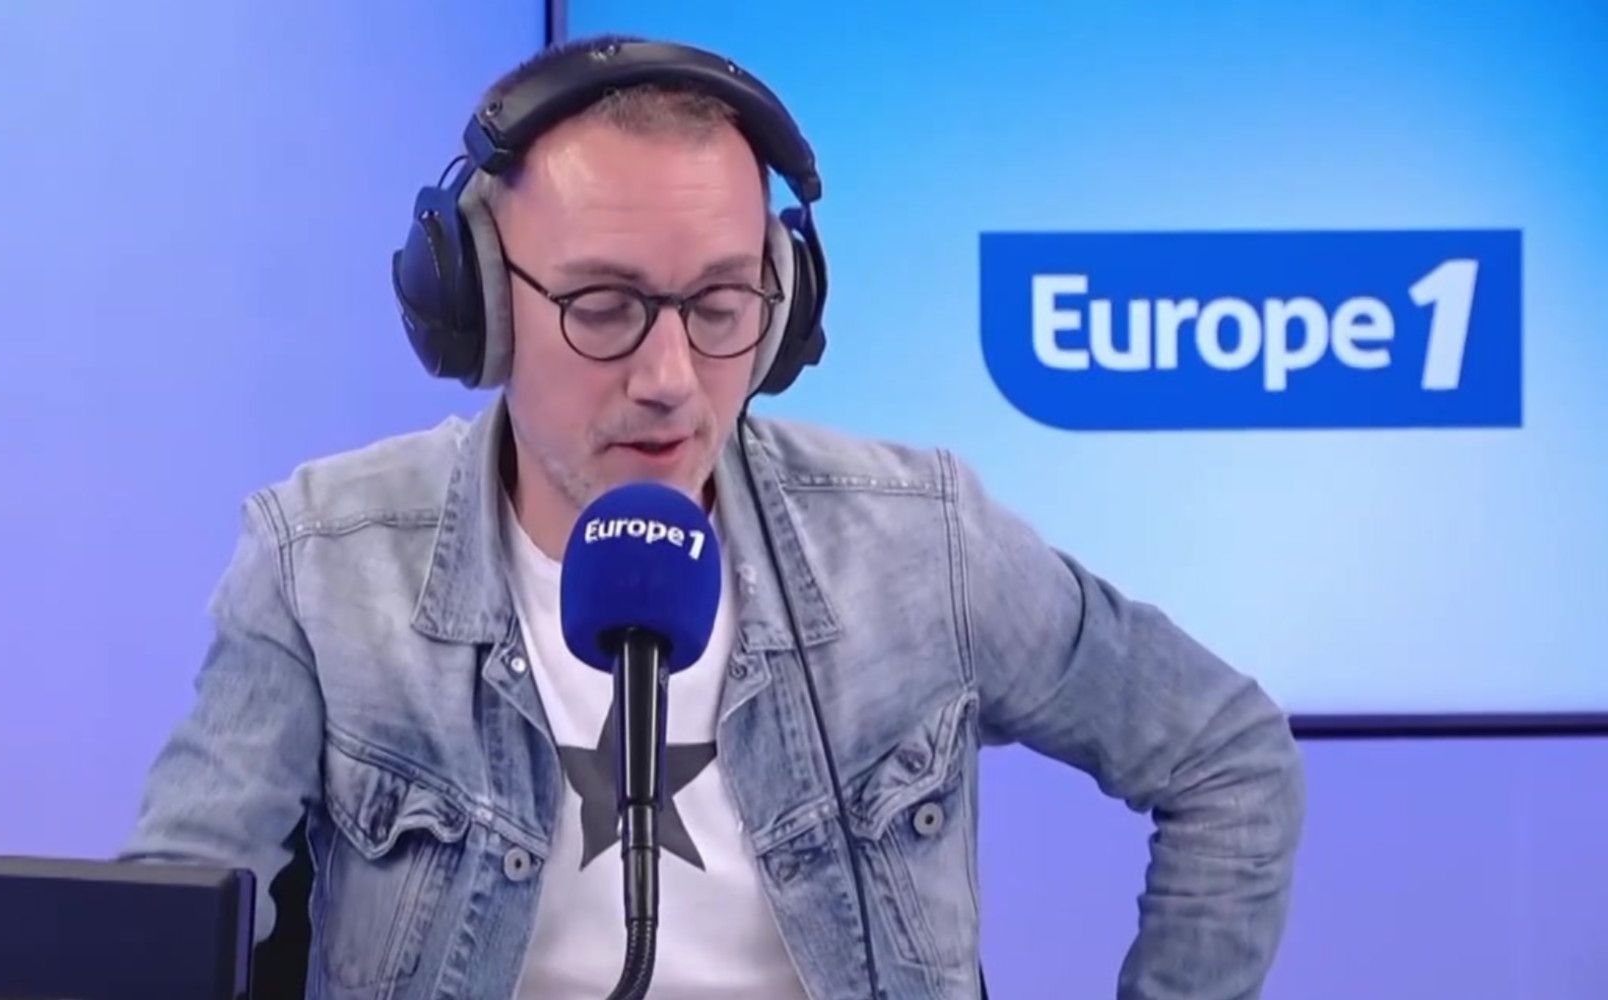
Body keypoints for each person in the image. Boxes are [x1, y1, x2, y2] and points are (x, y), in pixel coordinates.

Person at [119, 35, 1305, 1000]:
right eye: (602, 306)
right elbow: (165, 920)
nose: (670, 378)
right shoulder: (321, 565)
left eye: (722, 306)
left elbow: (1226, 755)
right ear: (477, 305)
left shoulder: (920, 543)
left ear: (782, 309)